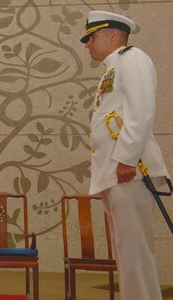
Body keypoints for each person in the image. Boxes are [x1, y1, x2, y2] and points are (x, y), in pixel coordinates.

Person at [81, 11, 169, 300]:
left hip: (130, 170)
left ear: (113, 35)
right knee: (127, 251)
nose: (88, 44)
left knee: (134, 251)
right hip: (118, 172)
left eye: (92, 37)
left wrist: (126, 160)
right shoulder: (112, 69)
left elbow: (141, 111)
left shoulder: (132, 58)